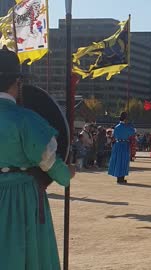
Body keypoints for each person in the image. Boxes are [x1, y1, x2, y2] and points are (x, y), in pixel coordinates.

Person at [0, 46, 75, 269]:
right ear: (17, 84)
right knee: (18, 251)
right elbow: (48, 160)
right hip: (18, 196)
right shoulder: (25, 119)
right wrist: (66, 174)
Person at [108, 112, 135, 184]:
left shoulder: (116, 127)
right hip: (124, 145)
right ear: (125, 119)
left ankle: (119, 178)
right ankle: (122, 178)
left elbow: (113, 137)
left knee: (118, 161)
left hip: (117, 145)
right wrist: (130, 126)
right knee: (124, 162)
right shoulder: (127, 127)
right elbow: (133, 132)